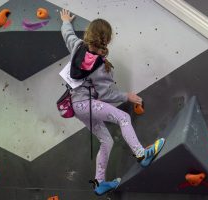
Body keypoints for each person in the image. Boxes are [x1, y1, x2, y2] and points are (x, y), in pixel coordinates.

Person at [60, 9, 165, 196]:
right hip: (88, 105)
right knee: (123, 117)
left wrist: (66, 21)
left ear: (87, 34)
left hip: (76, 107)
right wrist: (127, 96)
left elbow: (67, 34)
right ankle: (141, 154)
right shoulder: (102, 67)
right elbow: (106, 94)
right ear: (107, 40)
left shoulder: (76, 47)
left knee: (106, 140)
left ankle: (100, 183)